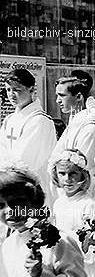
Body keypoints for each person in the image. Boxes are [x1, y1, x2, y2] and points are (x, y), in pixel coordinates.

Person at [0, 69, 56, 203]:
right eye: (8, 90)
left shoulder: (40, 121)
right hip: (7, 182)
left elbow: (26, 159)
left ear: (31, 90)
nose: (11, 95)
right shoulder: (9, 119)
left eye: (17, 90)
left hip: (31, 185)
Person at [52, 76, 95, 170]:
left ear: (78, 96)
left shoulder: (90, 129)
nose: (57, 100)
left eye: (62, 95)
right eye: (57, 96)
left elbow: (85, 168)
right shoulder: (75, 121)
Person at [49, 149, 95, 249]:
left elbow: (93, 244)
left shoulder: (89, 205)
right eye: (62, 173)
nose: (67, 179)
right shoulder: (59, 203)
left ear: (82, 175)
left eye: (73, 173)